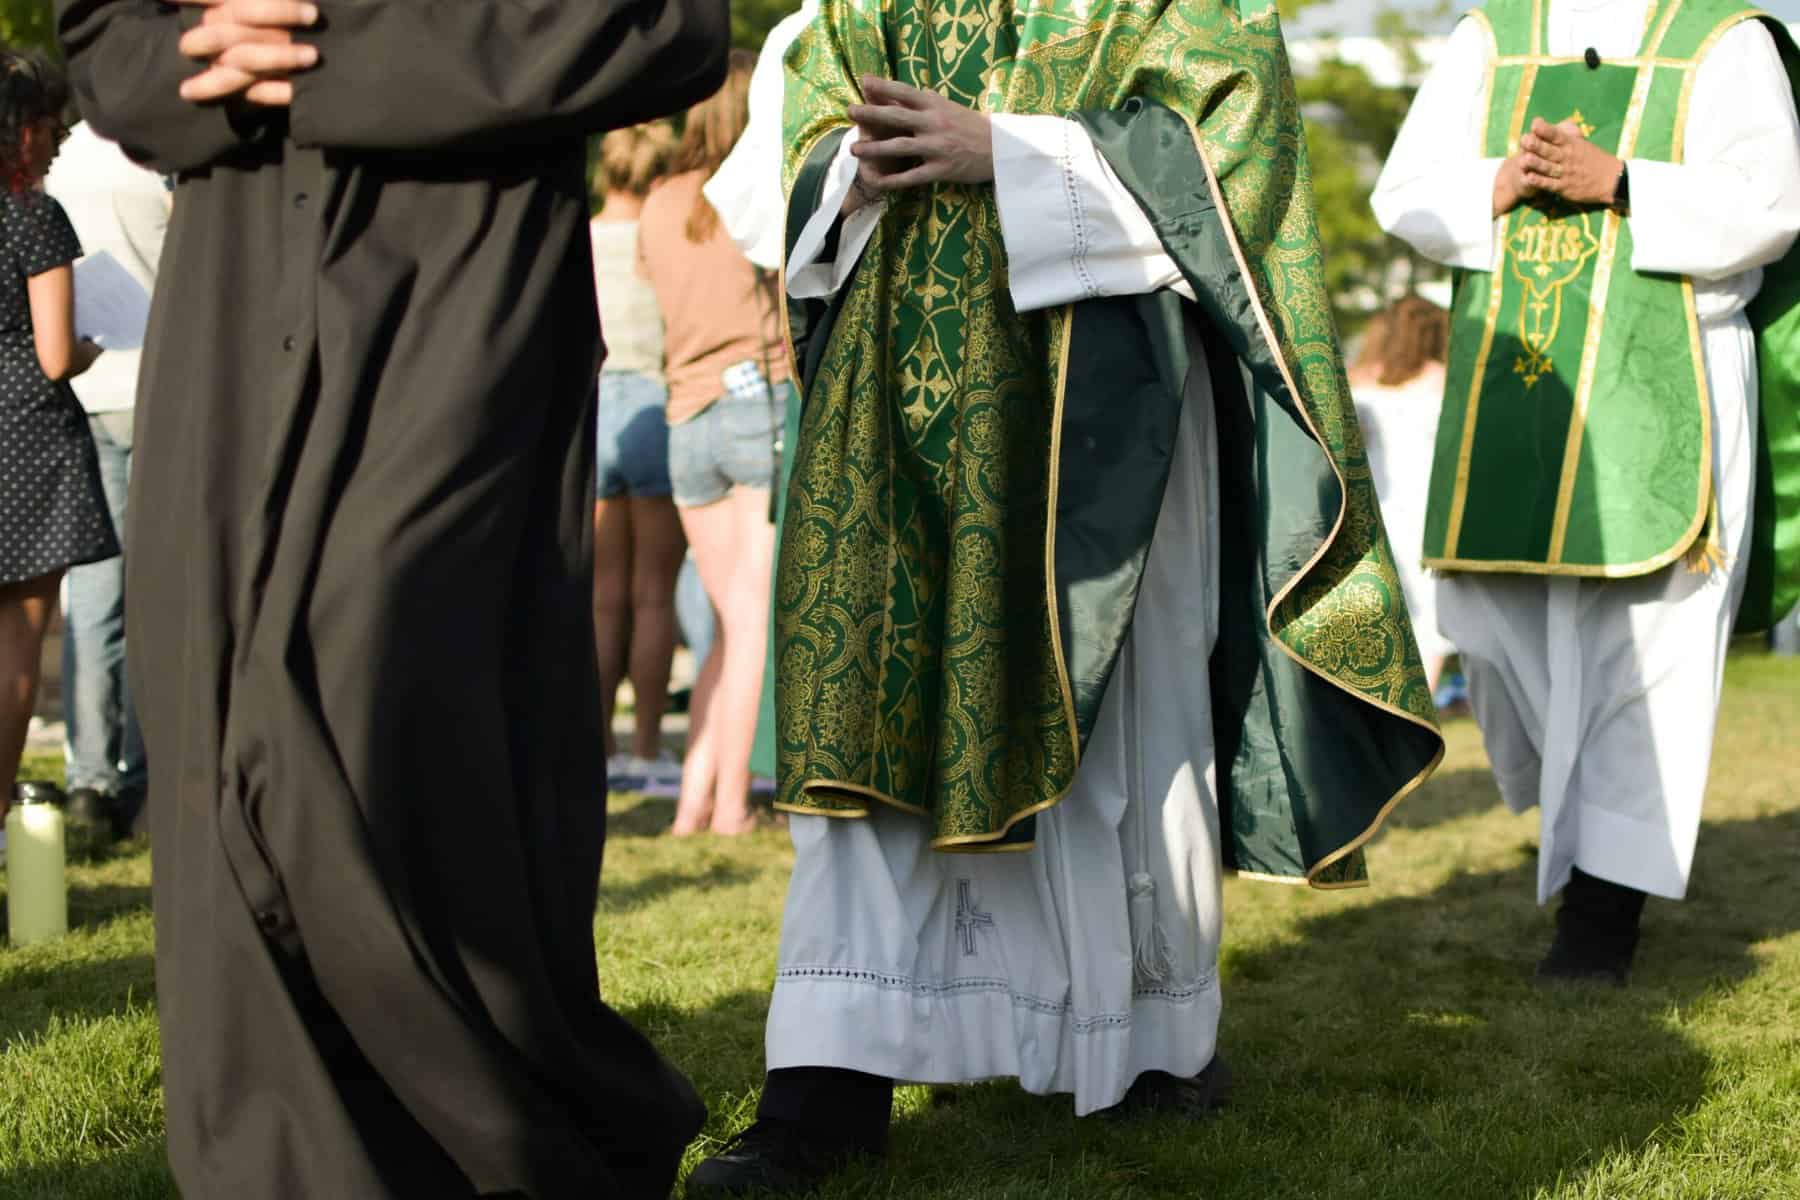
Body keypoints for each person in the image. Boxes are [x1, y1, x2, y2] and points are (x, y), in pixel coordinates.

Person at [687, 0, 1445, 1193]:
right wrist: (847, 162)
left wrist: (1014, 153)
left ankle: (1149, 1047)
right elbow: (784, 161)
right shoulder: (866, 5)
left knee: (1124, 739)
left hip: (1105, 409)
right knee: (880, 726)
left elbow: (1234, 160)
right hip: (898, 402)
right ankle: (824, 1090)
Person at [55, 0, 728, 1194]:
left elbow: (662, 24)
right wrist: (189, 62)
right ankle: (285, 1162)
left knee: (371, 692)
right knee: (213, 725)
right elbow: (106, 34)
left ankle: (512, 1127)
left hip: (461, 279)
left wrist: (335, 64)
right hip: (240, 273)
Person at [1372, 0, 1800, 986]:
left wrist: (1623, 182)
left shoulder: (1721, 36)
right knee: (1485, 614)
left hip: (1670, 368)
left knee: (1642, 646)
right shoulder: (1493, 34)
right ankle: (1575, 833)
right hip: (1516, 379)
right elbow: (1409, 192)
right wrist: (1501, 178)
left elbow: (1774, 202)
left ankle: (1602, 918)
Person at [637, 50, 791, 837]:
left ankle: (693, 800)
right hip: (751, 404)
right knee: (752, 618)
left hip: (683, 417)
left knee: (728, 622)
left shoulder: (657, 201)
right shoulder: (753, 196)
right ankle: (732, 805)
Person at [0, 50, 116, 833]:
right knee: (18, 641)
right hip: (26, 439)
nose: (61, 141)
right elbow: (52, 354)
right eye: (50, 126)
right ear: (21, 131)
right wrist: (88, 348)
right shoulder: (34, 214)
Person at [45, 116, 167, 842]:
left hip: (88, 389)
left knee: (93, 596)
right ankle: (150, 776)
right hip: (154, 385)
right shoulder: (161, 155)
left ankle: (90, 779)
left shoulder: (63, 163)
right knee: (158, 592)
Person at [591, 121, 685, 792]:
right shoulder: (664, 238)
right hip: (656, 404)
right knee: (654, 597)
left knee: (601, 597)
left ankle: (596, 744)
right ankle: (648, 747)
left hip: (594, 412)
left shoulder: (580, 238)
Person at [1348, 295, 1455, 697]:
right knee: (1429, 617)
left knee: (1377, 611)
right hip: (1426, 509)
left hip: (1373, 507)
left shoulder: (1357, 379)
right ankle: (1421, 701)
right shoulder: (1441, 379)